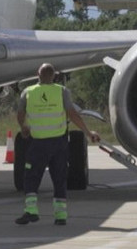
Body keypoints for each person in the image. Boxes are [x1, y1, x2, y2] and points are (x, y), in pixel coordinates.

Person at [15, 63, 99, 226]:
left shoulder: (28, 92)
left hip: (38, 143)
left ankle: (31, 211)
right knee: (59, 178)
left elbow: (20, 114)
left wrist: (23, 127)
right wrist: (88, 133)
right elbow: (73, 114)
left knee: (31, 177)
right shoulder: (62, 91)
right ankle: (60, 216)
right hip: (59, 143)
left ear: (37, 75)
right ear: (54, 76)